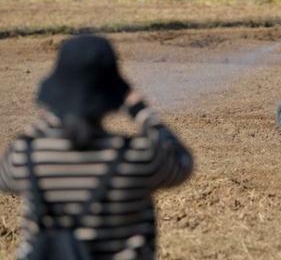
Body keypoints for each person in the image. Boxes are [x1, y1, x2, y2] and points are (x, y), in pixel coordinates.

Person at [0, 35, 193, 259]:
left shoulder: (26, 155)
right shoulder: (136, 156)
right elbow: (182, 162)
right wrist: (142, 112)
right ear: (114, 94)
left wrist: (54, 112)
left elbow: (4, 178)